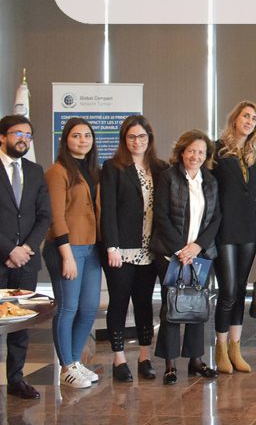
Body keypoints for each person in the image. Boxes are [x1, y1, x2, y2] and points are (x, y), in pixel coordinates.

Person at [100, 115, 168, 382]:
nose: (137, 141)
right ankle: (119, 359)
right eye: (131, 137)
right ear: (124, 139)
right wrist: (112, 247)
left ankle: (144, 357)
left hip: (150, 249)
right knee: (118, 302)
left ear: (149, 138)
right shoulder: (113, 167)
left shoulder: (160, 168)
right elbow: (108, 211)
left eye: (141, 136)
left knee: (144, 303)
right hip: (121, 250)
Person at [152, 129, 222, 385]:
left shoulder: (210, 180)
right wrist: (182, 250)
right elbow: (161, 216)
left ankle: (196, 359)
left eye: (201, 152)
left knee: (197, 306)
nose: (196, 156)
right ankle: (170, 364)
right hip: (172, 254)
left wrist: (198, 247)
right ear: (182, 152)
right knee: (172, 306)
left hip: (200, 254)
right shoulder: (168, 177)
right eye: (191, 151)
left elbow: (216, 218)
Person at [44, 117, 103, 389]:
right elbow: (55, 216)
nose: (83, 140)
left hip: (91, 247)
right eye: (76, 135)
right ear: (65, 139)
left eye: (87, 135)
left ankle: (76, 362)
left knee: (89, 308)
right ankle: (66, 366)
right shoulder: (57, 172)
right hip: (67, 247)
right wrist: (66, 255)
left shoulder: (94, 171)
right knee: (68, 307)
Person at [0, 115, 50, 400]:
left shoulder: (35, 170)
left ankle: (16, 379)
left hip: (26, 261)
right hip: (2, 257)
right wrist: (10, 250)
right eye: (18, 133)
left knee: (21, 322)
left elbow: (44, 216)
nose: (24, 139)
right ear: (2, 136)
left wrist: (26, 248)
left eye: (28, 135)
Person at [211, 100, 256, 375]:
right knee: (228, 291)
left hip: (248, 229)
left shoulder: (253, 154)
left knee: (240, 290)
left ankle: (235, 348)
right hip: (225, 230)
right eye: (246, 116)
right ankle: (220, 348)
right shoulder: (217, 149)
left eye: (254, 118)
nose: (249, 121)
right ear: (235, 118)